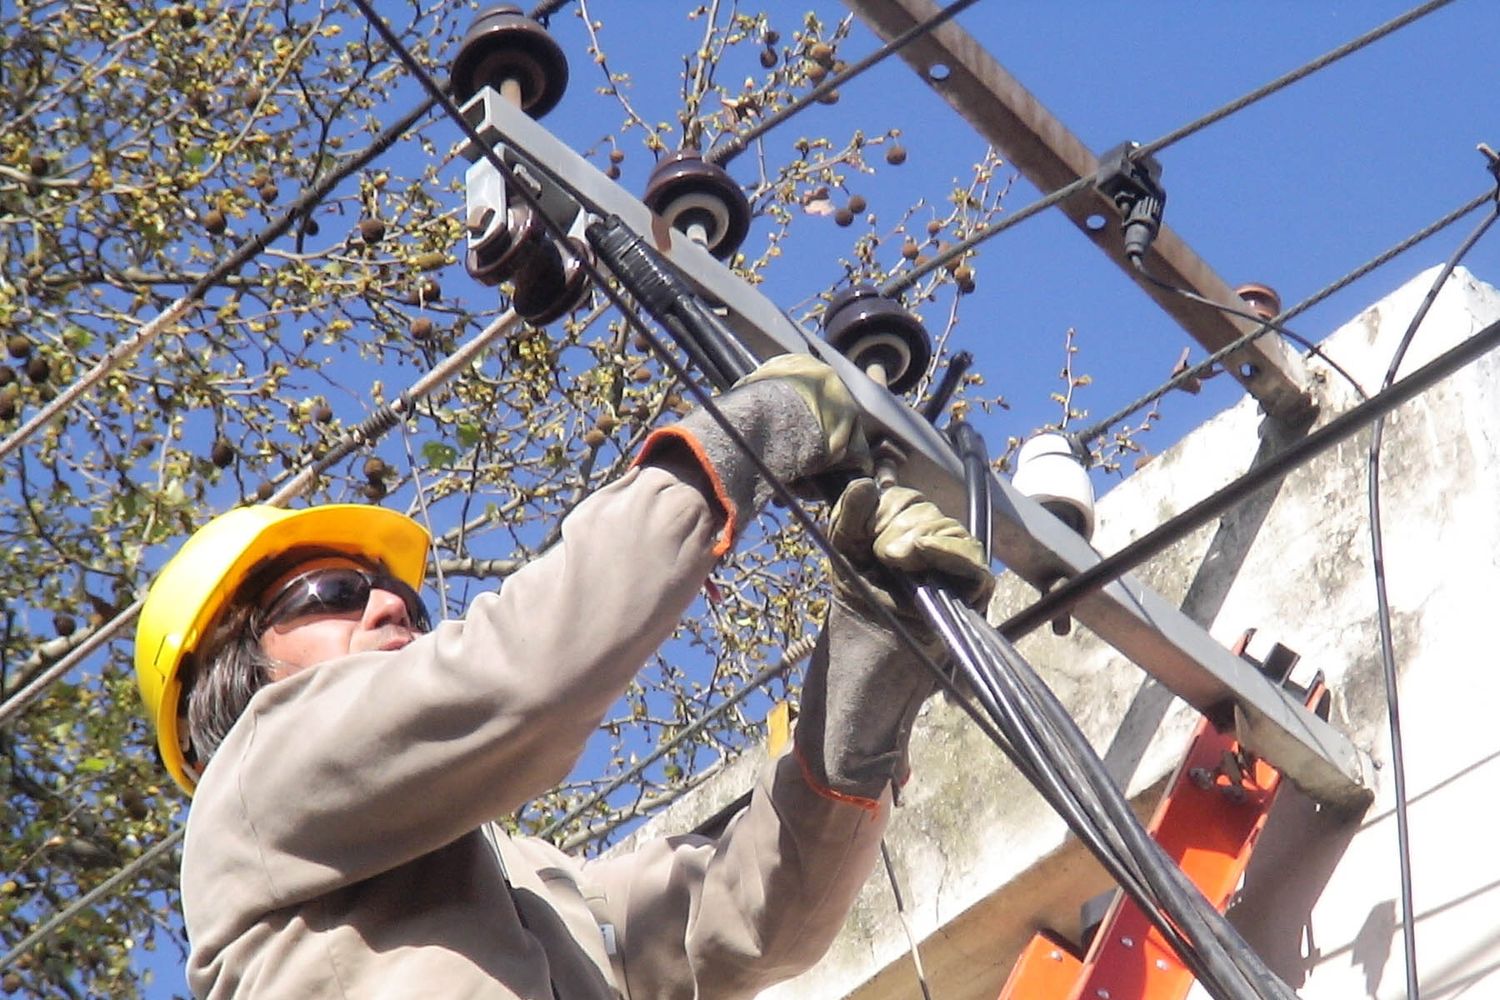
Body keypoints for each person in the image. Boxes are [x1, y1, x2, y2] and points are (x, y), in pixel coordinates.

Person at [133, 355, 994, 999]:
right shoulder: (254, 786)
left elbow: (743, 923)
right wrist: (744, 436)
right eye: (331, 594)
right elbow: (524, 676)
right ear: (230, 677)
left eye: (402, 594)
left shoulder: (534, 892)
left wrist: (867, 676)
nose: (393, 608)